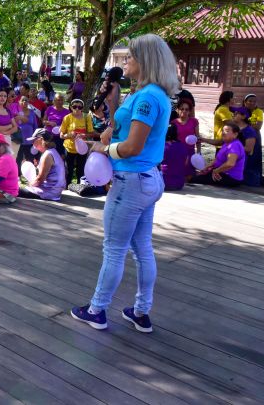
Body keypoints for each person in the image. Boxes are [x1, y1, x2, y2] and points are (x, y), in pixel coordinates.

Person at [71, 33, 179, 334]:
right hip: (148, 180)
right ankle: (141, 312)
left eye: (130, 56)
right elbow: (124, 128)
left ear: (145, 61)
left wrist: (103, 149)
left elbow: (131, 147)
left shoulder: (146, 98)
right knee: (142, 248)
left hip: (130, 180)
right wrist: (113, 103)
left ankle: (97, 309)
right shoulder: (150, 94)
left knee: (114, 249)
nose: (125, 61)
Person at [17, 128, 66, 200]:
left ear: (40, 139)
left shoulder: (47, 155)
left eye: (34, 140)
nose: (32, 143)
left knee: (14, 190)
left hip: (49, 192)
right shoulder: (53, 151)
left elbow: (39, 180)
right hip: (55, 192)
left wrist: (30, 185)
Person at [194, 122, 245, 187]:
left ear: (235, 134)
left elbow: (230, 164)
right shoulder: (226, 143)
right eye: (223, 130)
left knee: (194, 179)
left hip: (230, 177)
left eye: (227, 131)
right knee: (196, 174)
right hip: (221, 172)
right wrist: (207, 167)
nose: (223, 133)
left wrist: (216, 171)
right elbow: (217, 159)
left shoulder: (235, 145)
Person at [60, 99, 96, 184]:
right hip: (69, 148)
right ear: (71, 107)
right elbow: (61, 135)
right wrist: (68, 135)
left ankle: (80, 187)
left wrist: (84, 136)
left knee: (81, 169)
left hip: (82, 148)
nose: (77, 109)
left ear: (82, 108)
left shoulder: (87, 117)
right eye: (74, 107)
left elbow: (91, 134)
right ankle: (67, 187)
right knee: (69, 169)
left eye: (79, 107)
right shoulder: (67, 118)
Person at [160, 124, 191, 191]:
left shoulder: (161, 146)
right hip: (178, 184)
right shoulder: (183, 146)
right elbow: (185, 163)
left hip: (162, 183)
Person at [14, 96, 39, 164]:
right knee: (18, 159)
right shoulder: (16, 112)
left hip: (30, 141)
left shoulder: (32, 112)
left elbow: (35, 126)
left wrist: (35, 138)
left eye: (26, 100)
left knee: (30, 159)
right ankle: (17, 173)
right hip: (18, 140)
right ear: (19, 102)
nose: (24, 102)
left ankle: (29, 173)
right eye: (22, 100)